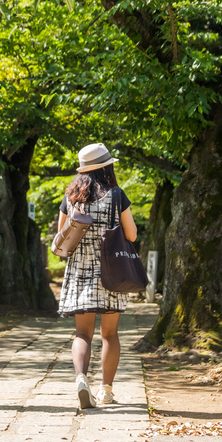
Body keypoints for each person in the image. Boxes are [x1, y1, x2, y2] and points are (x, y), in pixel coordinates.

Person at [57, 143, 137, 409]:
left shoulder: (71, 198)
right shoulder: (117, 196)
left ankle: (81, 378)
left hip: (80, 271)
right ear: (106, 167)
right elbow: (132, 234)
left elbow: (62, 236)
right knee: (110, 334)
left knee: (82, 333)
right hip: (111, 271)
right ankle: (106, 390)